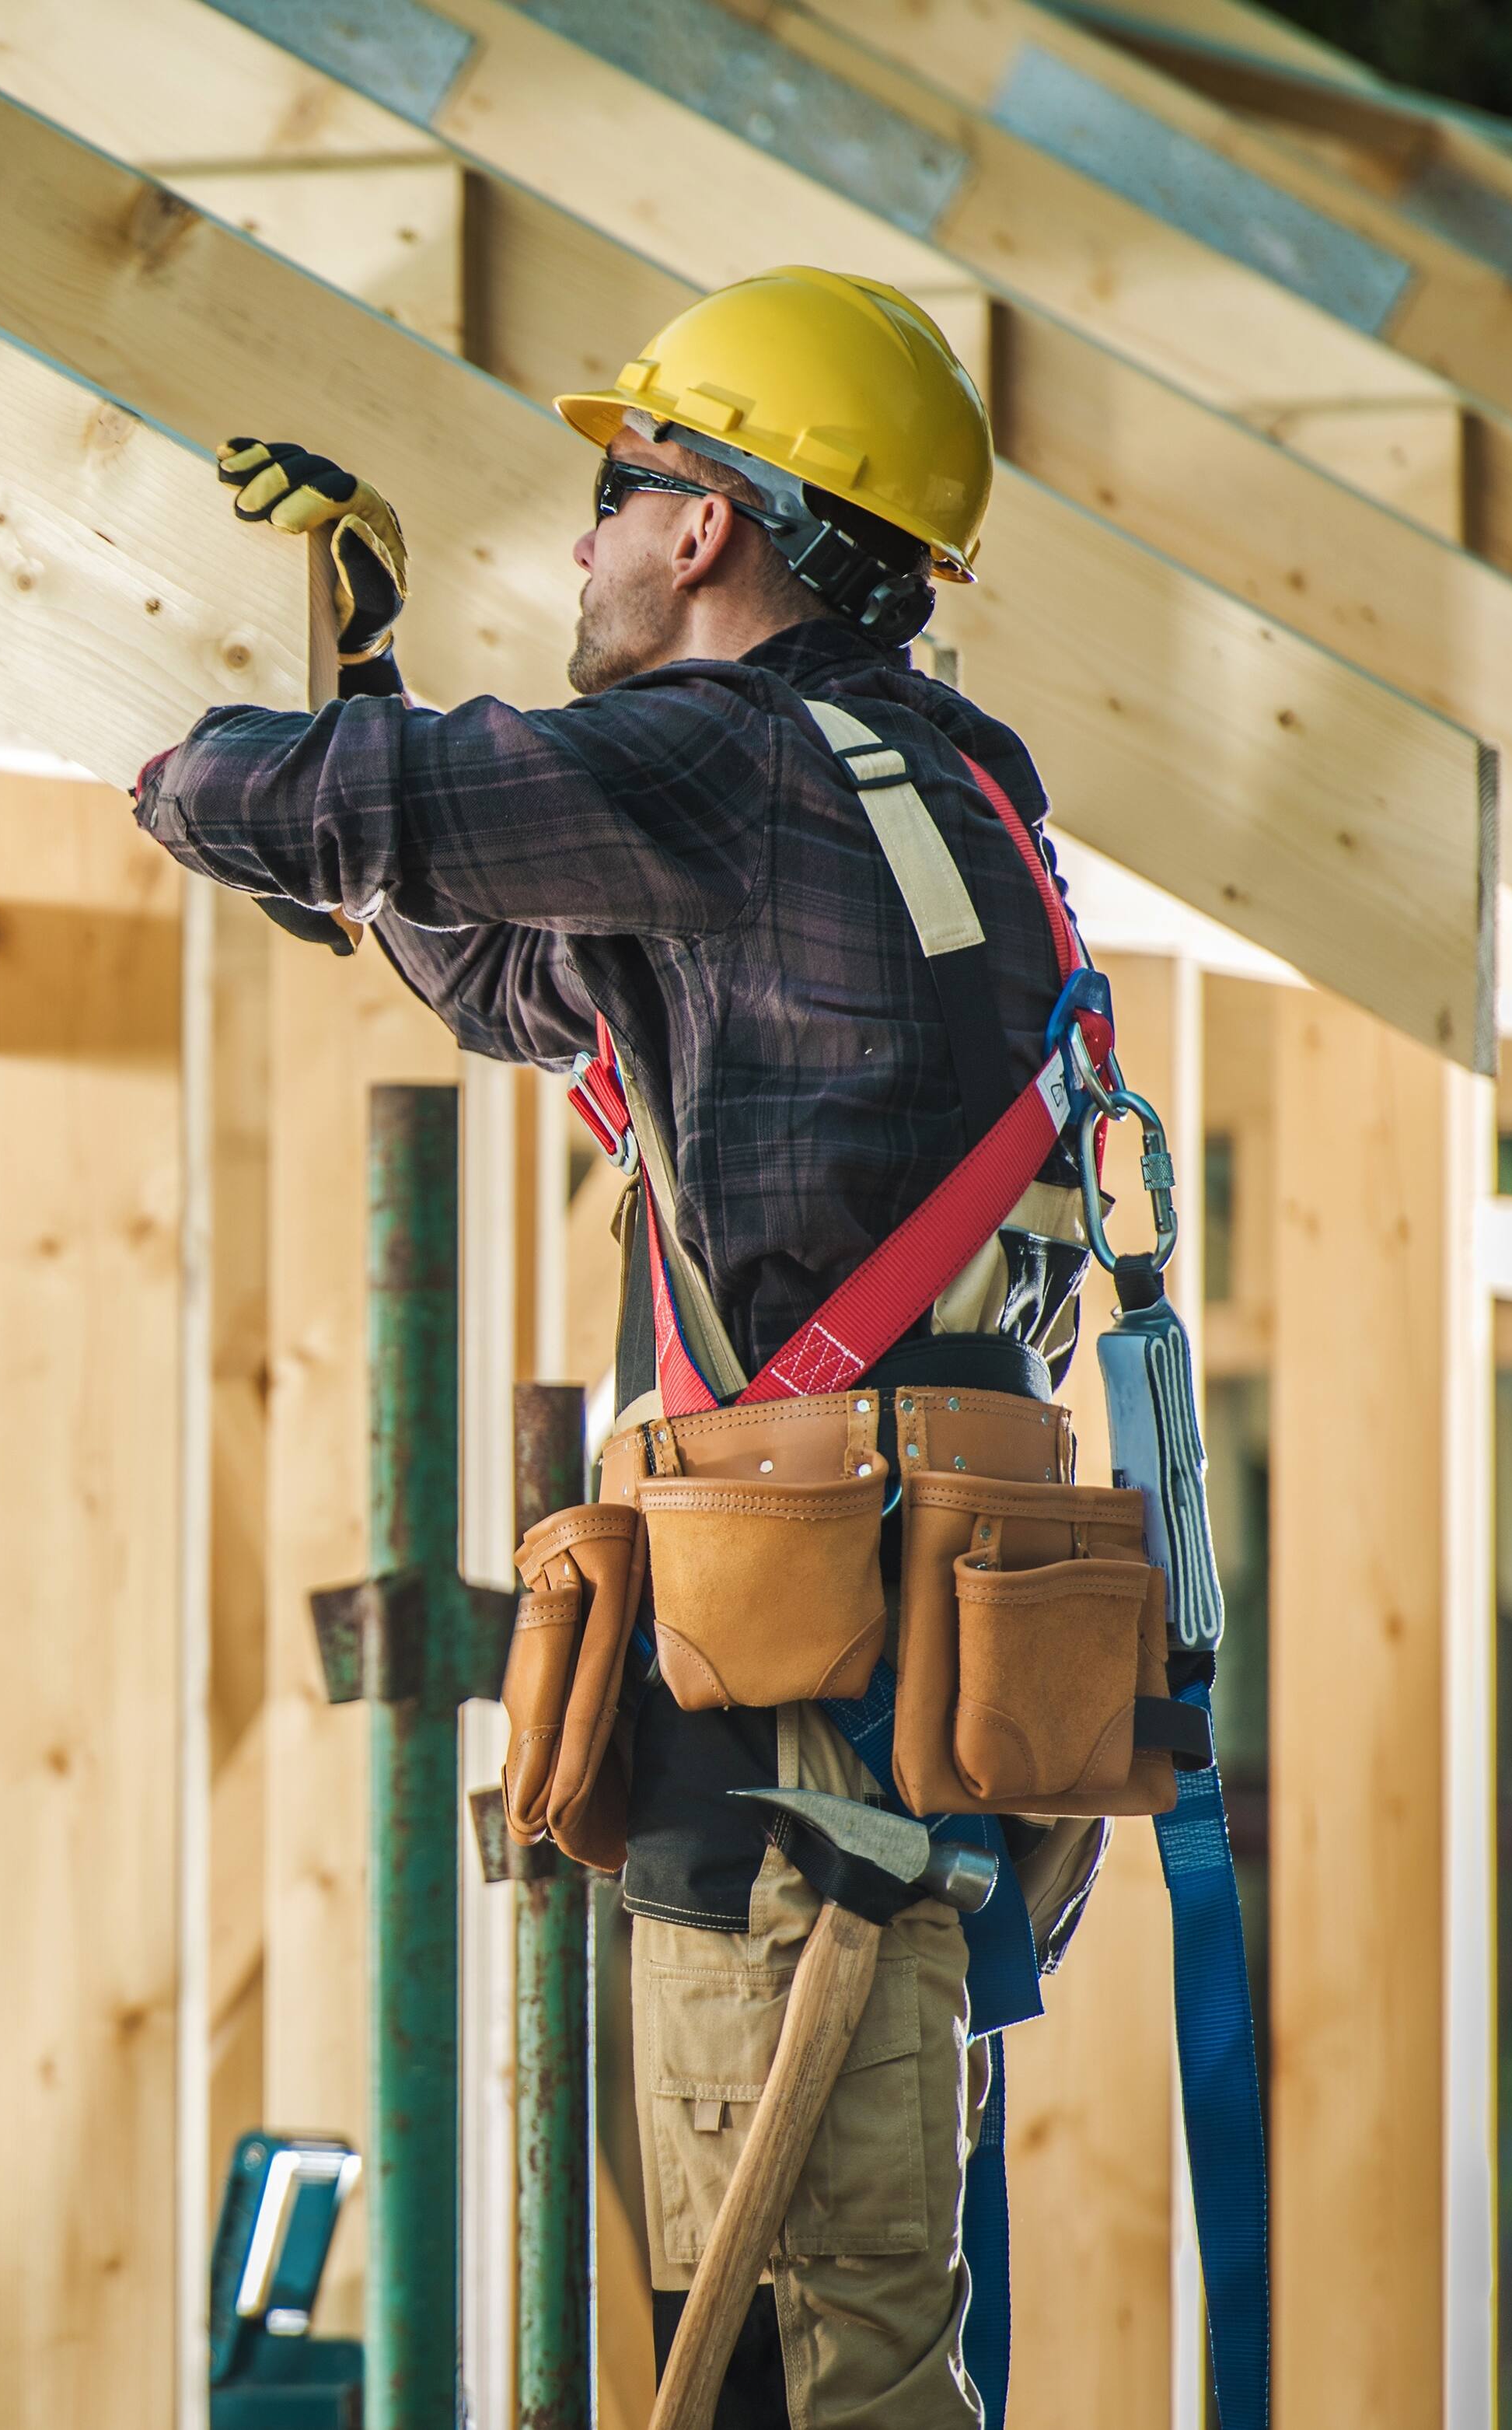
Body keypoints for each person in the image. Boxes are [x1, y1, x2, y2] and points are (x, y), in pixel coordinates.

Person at [133, 267, 1115, 2428]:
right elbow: (515, 991)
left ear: (711, 527)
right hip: (895, 1707)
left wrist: (240, 739)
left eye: (613, 489)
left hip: (779, 1754)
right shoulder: (947, 793)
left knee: (760, 2365)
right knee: (841, 2330)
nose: (577, 545)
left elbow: (270, 805)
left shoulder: (733, 761)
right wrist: (367, 672)